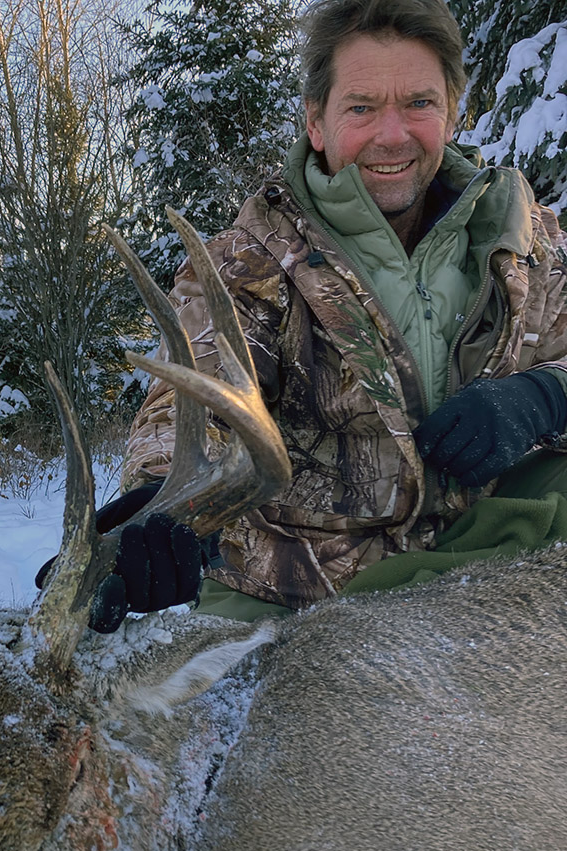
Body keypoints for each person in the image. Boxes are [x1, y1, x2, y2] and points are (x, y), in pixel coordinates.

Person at [78, 0, 567, 631]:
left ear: (453, 110)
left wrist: (543, 394)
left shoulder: (525, 240)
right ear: (316, 122)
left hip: (483, 538)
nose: (393, 135)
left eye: (419, 103)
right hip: (302, 581)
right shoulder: (246, 265)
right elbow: (192, 397)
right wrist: (163, 505)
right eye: (361, 108)